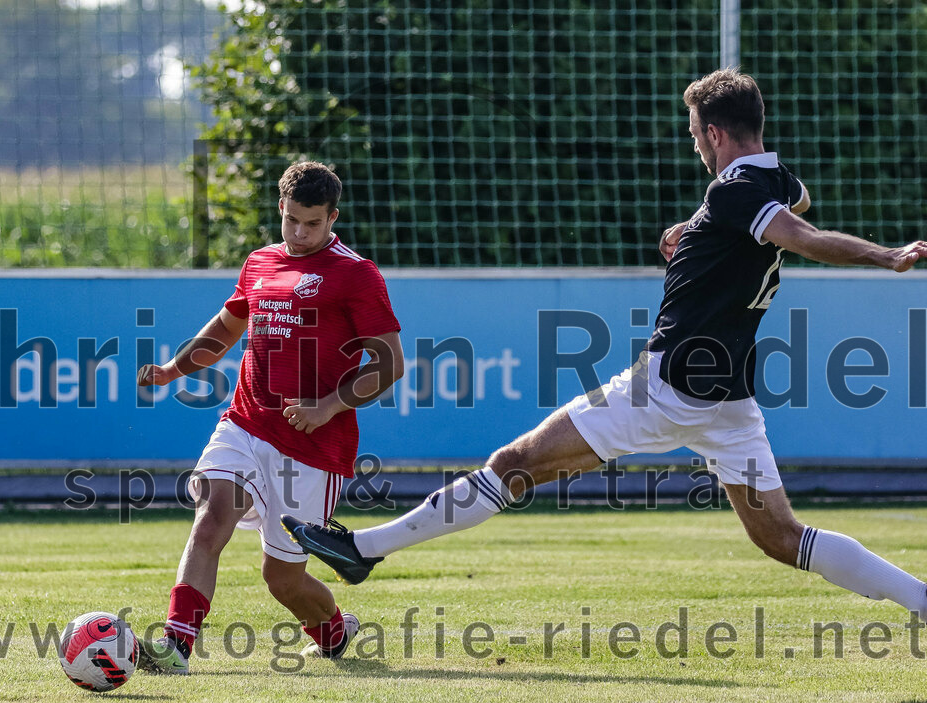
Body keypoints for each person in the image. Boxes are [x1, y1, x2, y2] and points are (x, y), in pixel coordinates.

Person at [283, 70, 927, 625]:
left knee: (513, 463)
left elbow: (799, 233)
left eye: (697, 135)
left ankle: (364, 550)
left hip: (665, 388)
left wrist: (886, 255)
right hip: (729, 400)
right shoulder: (772, 180)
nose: (697, 146)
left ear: (716, 136)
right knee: (784, 538)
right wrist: (701, 229)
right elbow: (793, 207)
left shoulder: (736, 192)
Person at [137, 161, 403, 673]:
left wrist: (327, 406)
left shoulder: (356, 274)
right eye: (292, 221)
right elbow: (225, 327)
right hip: (245, 422)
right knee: (210, 520)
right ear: (281, 208)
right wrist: (173, 370)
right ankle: (176, 645)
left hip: (314, 446)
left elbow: (389, 363)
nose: (301, 234)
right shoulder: (259, 262)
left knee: (281, 579)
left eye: (314, 224)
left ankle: (333, 630)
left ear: (333, 218)